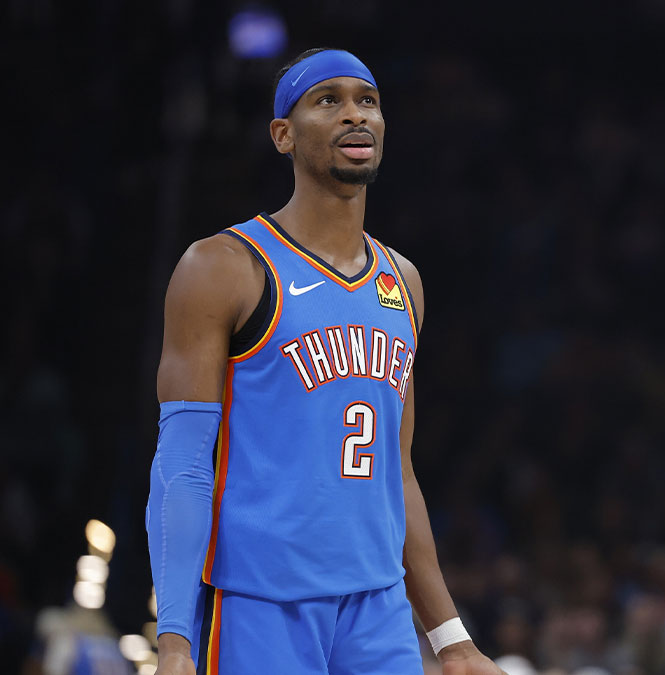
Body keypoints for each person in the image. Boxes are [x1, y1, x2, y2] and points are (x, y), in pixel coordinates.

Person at [147, 48, 505, 675]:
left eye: (367, 100)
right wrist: (175, 633)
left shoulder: (404, 281)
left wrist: (451, 639)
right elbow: (182, 464)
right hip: (260, 604)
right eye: (328, 100)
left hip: (379, 609)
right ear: (283, 135)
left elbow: (399, 472)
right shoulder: (222, 266)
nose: (354, 115)